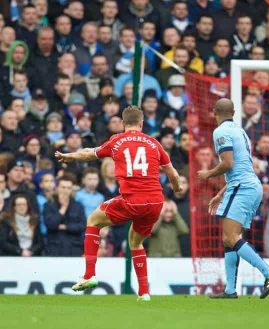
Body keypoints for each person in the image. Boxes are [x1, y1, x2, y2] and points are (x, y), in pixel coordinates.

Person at [54, 105, 182, 302]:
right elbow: (173, 174)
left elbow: (90, 153)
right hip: (156, 201)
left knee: (94, 220)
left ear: (123, 123)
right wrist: (177, 188)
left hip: (132, 199)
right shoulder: (154, 143)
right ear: (141, 123)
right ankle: (144, 292)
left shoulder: (117, 141)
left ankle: (89, 275)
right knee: (136, 242)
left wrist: (69, 156)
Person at [196, 98, 269, 299]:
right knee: (228, 239)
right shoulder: (240, 131)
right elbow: (240, 168)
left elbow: (227, 163)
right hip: (248, 185)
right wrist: (220, 193)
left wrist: (208, 174)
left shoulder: (221, 131)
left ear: (214, 111)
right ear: (234, 112)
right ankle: (230, 290)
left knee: (231, 237)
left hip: (243, 187)